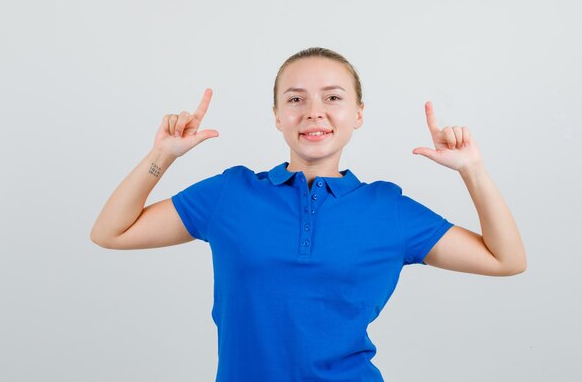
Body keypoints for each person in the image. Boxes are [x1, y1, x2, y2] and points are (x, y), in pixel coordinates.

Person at [90, 47, 527, 382]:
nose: (313, 111)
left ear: (357, 115)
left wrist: (472, 170)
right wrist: (161, 155)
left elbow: (505, 260)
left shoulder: (387, 209)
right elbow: (111, 232)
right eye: (295, 99)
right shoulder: (231, 193)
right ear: (277, 117)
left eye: (332, 97)